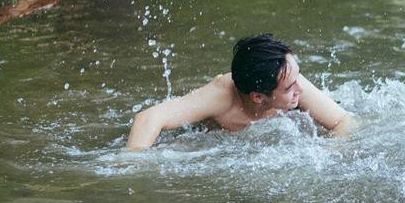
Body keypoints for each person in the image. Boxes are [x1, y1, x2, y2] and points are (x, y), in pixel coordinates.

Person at [126, 34, 355, 150]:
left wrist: (327, 152)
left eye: (298, 76)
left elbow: (345, 121)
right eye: (289, 87)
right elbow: (148, 118)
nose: (301, 89)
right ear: (258, 97)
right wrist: (133, 163)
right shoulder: (220, 96)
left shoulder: (288, 77)